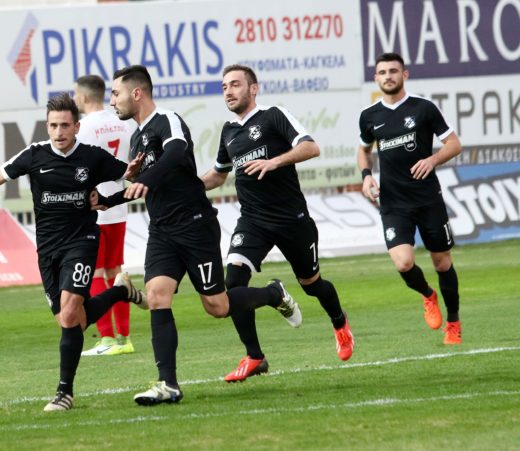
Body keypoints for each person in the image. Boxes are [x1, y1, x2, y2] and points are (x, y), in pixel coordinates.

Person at [0, 93, 148, 412]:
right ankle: (120, 292)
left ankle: (64, 393)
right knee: (72, 321)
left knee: (70, 314)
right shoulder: (34, 155)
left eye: (65, 125)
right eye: (53, 125)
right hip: (47, 249)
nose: (59, 132)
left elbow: (131, 178)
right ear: (47, 126)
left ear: (76, 126)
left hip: (82, 240)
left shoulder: (92, 157)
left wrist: (123, 185)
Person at [95, 65, 300, 405]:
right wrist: (106, 200)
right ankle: (168, 384)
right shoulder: (137, 138)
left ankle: (272, 293)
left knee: (217, 307)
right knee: (157, 296)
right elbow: (142, 186)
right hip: (162, 231)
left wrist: (146, 179)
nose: (112, 101)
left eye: (115, 94)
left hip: (194, 226)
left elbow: (176, 152)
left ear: (137, 93)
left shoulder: (167, 120)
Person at [201, 65, 355, 382]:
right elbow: (218, 175)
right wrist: (183, 186)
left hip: (291, 219)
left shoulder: (273, 116)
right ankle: (255, 356)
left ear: (253, 88)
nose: (228, 91)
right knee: (234, 284)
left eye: (235, 84)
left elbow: (311, 147)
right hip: (252, 221)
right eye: (224, 87)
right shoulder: (229, 131)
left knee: (312, 285)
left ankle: (339, 322)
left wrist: (274, 161)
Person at [357, 52, 463, 345]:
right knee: (403, 263)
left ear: (404, 75)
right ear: (376, 78)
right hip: (393, 202)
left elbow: (454, 144)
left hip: (428, 199)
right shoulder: (369, 116)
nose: (388, 76)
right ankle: (428, 295)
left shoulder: (423, 108)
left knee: (442, 263)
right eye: (382, 72)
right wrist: (366, 176)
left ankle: (453, 323)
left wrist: (432, 159)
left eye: (393, 71)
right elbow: (363, 150)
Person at [74, 75, 135, 356]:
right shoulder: (121, 122)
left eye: (75, 94)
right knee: (116, 271)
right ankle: (124, 338)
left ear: (84, 96)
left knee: (96, 273)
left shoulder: (84, 127)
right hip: (118, 206)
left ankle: (107, 338)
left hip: (96, 208)